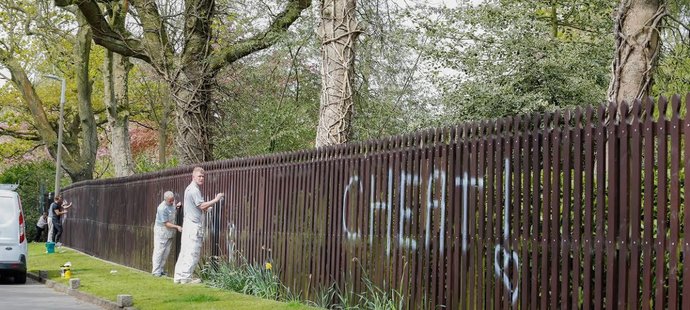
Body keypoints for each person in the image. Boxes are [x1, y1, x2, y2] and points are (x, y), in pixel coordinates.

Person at [173, 167, 224, 284]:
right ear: (193, 177)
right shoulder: (194, 190)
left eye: (202, 176)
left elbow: (197, 206)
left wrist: (206, 209)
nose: (201, 178)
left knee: (185, 251)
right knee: (193, 251)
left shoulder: (189, 189)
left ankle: (179, 277)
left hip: (188, 225)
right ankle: (186, 278)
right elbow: (201, 205)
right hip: (193, 226)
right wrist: (216, 199)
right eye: (199, 176)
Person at [152, 191, 182, 277]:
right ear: (165, 200)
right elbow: (166, 223)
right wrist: (177, 227)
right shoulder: (162, 208)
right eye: (170, 201)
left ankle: (161, 270)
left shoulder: (172, 204)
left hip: (169, 232)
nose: (172, 202)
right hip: (162, 231)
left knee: (166, 252)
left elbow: (172, 210)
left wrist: (176, 206)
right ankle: (155, 271)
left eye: (173, 200)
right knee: (159, 251)